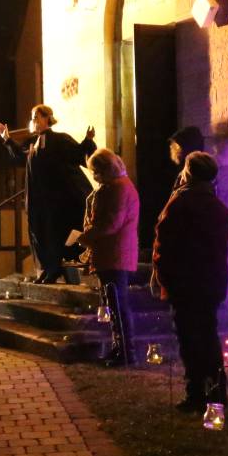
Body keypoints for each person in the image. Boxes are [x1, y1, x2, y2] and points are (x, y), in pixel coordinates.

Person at [151, 151, 228, 413]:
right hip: (210, 282)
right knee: (208, 336)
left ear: (188, 172)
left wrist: (163, 277)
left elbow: (164, 244)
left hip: (186, 283)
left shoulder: (180, 203)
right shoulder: (218, 207)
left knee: (189, 339)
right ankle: (217, 391)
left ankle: (196, 392)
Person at [0, 104, 95, 283]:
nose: (33, 120)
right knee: (38, 234)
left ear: (46, 118)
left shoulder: (59, 139)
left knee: (53, 235)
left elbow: (77, 153)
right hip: (37, 201)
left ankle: (54, 269)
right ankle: (45, 268)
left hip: (54, 201)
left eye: (37, 117)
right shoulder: (33, 144)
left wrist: (88, 140)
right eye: (32, 117)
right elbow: (20, 156)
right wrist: (7, 139)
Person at [78, 148, 140, 367]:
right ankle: (119, 348)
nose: (94, 176)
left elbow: (111, 223)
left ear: (105, 169)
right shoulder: (115, 187)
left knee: (118, 304)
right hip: (111, 252)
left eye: (96, 171)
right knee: (114, 305)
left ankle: (125, 352)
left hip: (115, 253)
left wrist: (86, 237)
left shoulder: (117, 189)